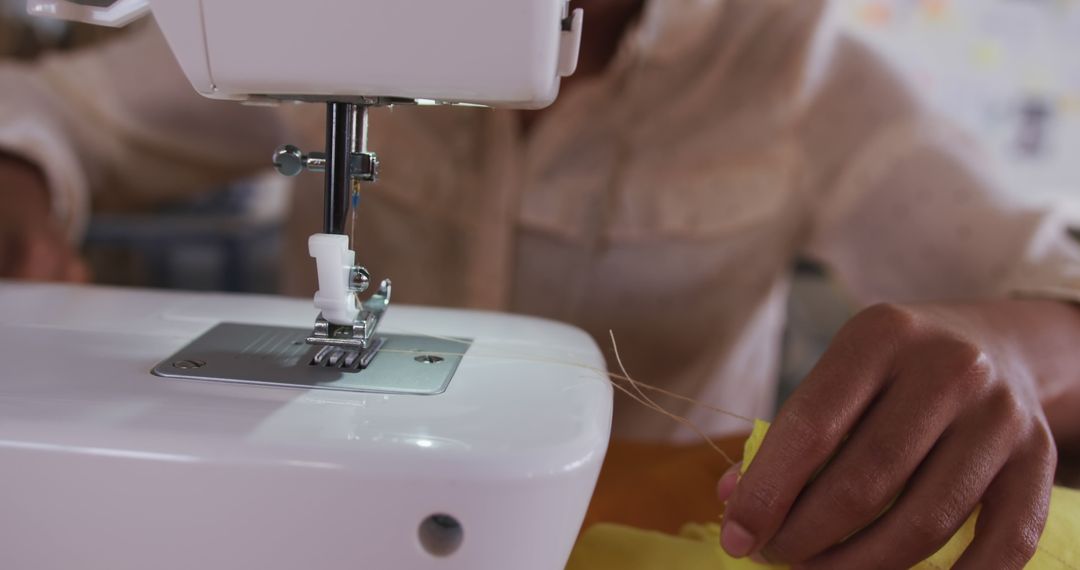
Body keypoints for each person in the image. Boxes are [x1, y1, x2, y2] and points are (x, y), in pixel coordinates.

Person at [1, 0, 1079, 566]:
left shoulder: (794, 62)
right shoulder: (311, 12)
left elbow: (1053, 287)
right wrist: (19, 180)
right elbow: (60, 110)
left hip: (655, 531)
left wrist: (1018, 350)